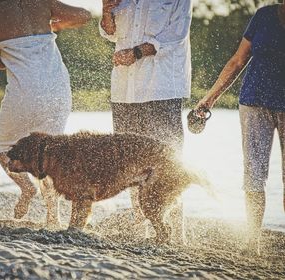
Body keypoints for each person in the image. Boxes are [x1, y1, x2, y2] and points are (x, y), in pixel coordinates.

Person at [0, 0, 91, 224]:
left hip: (24, 92)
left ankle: (27, 188)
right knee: (49, 154)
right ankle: (53, 217)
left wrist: (17, 61)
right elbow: (85, 16)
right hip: (57, 89)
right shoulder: (41, 2)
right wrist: (57, 24)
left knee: (3, 148)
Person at [100, 0, 193, 243]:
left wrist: (136, 52)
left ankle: (176, 233)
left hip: (161, 89)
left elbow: (176, 36)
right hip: (124, 90)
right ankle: (141, 228)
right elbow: (109, 34)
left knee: (169, 163)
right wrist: (106, 10)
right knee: (130, 162)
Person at [195, 2, 285, 253]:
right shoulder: (264, 15)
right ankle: (252, 241)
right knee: (254, 175)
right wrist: (208, 99)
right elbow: (237, 61)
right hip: (254, 102)